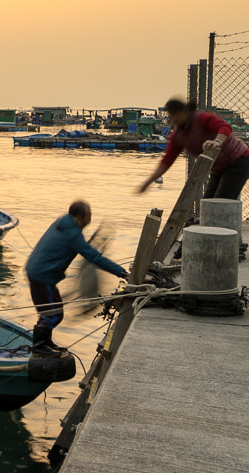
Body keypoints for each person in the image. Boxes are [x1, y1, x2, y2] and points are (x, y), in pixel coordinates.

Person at [25, 201, 128, 356]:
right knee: (53, 314)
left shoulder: (64, 223)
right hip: (42, 276)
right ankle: (39, 347)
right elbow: (94, 257)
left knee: (52, 309)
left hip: (37, 272)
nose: (90, 220)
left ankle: (46, 342)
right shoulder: (73, 234)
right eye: (88, 217)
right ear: (79, 217)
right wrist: (122, 273)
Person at [137, 97, 249, 199]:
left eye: (173, 114)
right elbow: (167, 161)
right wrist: (148, 182)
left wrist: (217, 141)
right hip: (218, 168)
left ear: (183, 112)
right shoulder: (178, 136)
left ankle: (225, 221)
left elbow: (225, 127)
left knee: (222, 201)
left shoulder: (201, 118)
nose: (171, 119)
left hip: (238, 160)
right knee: (208, 202)